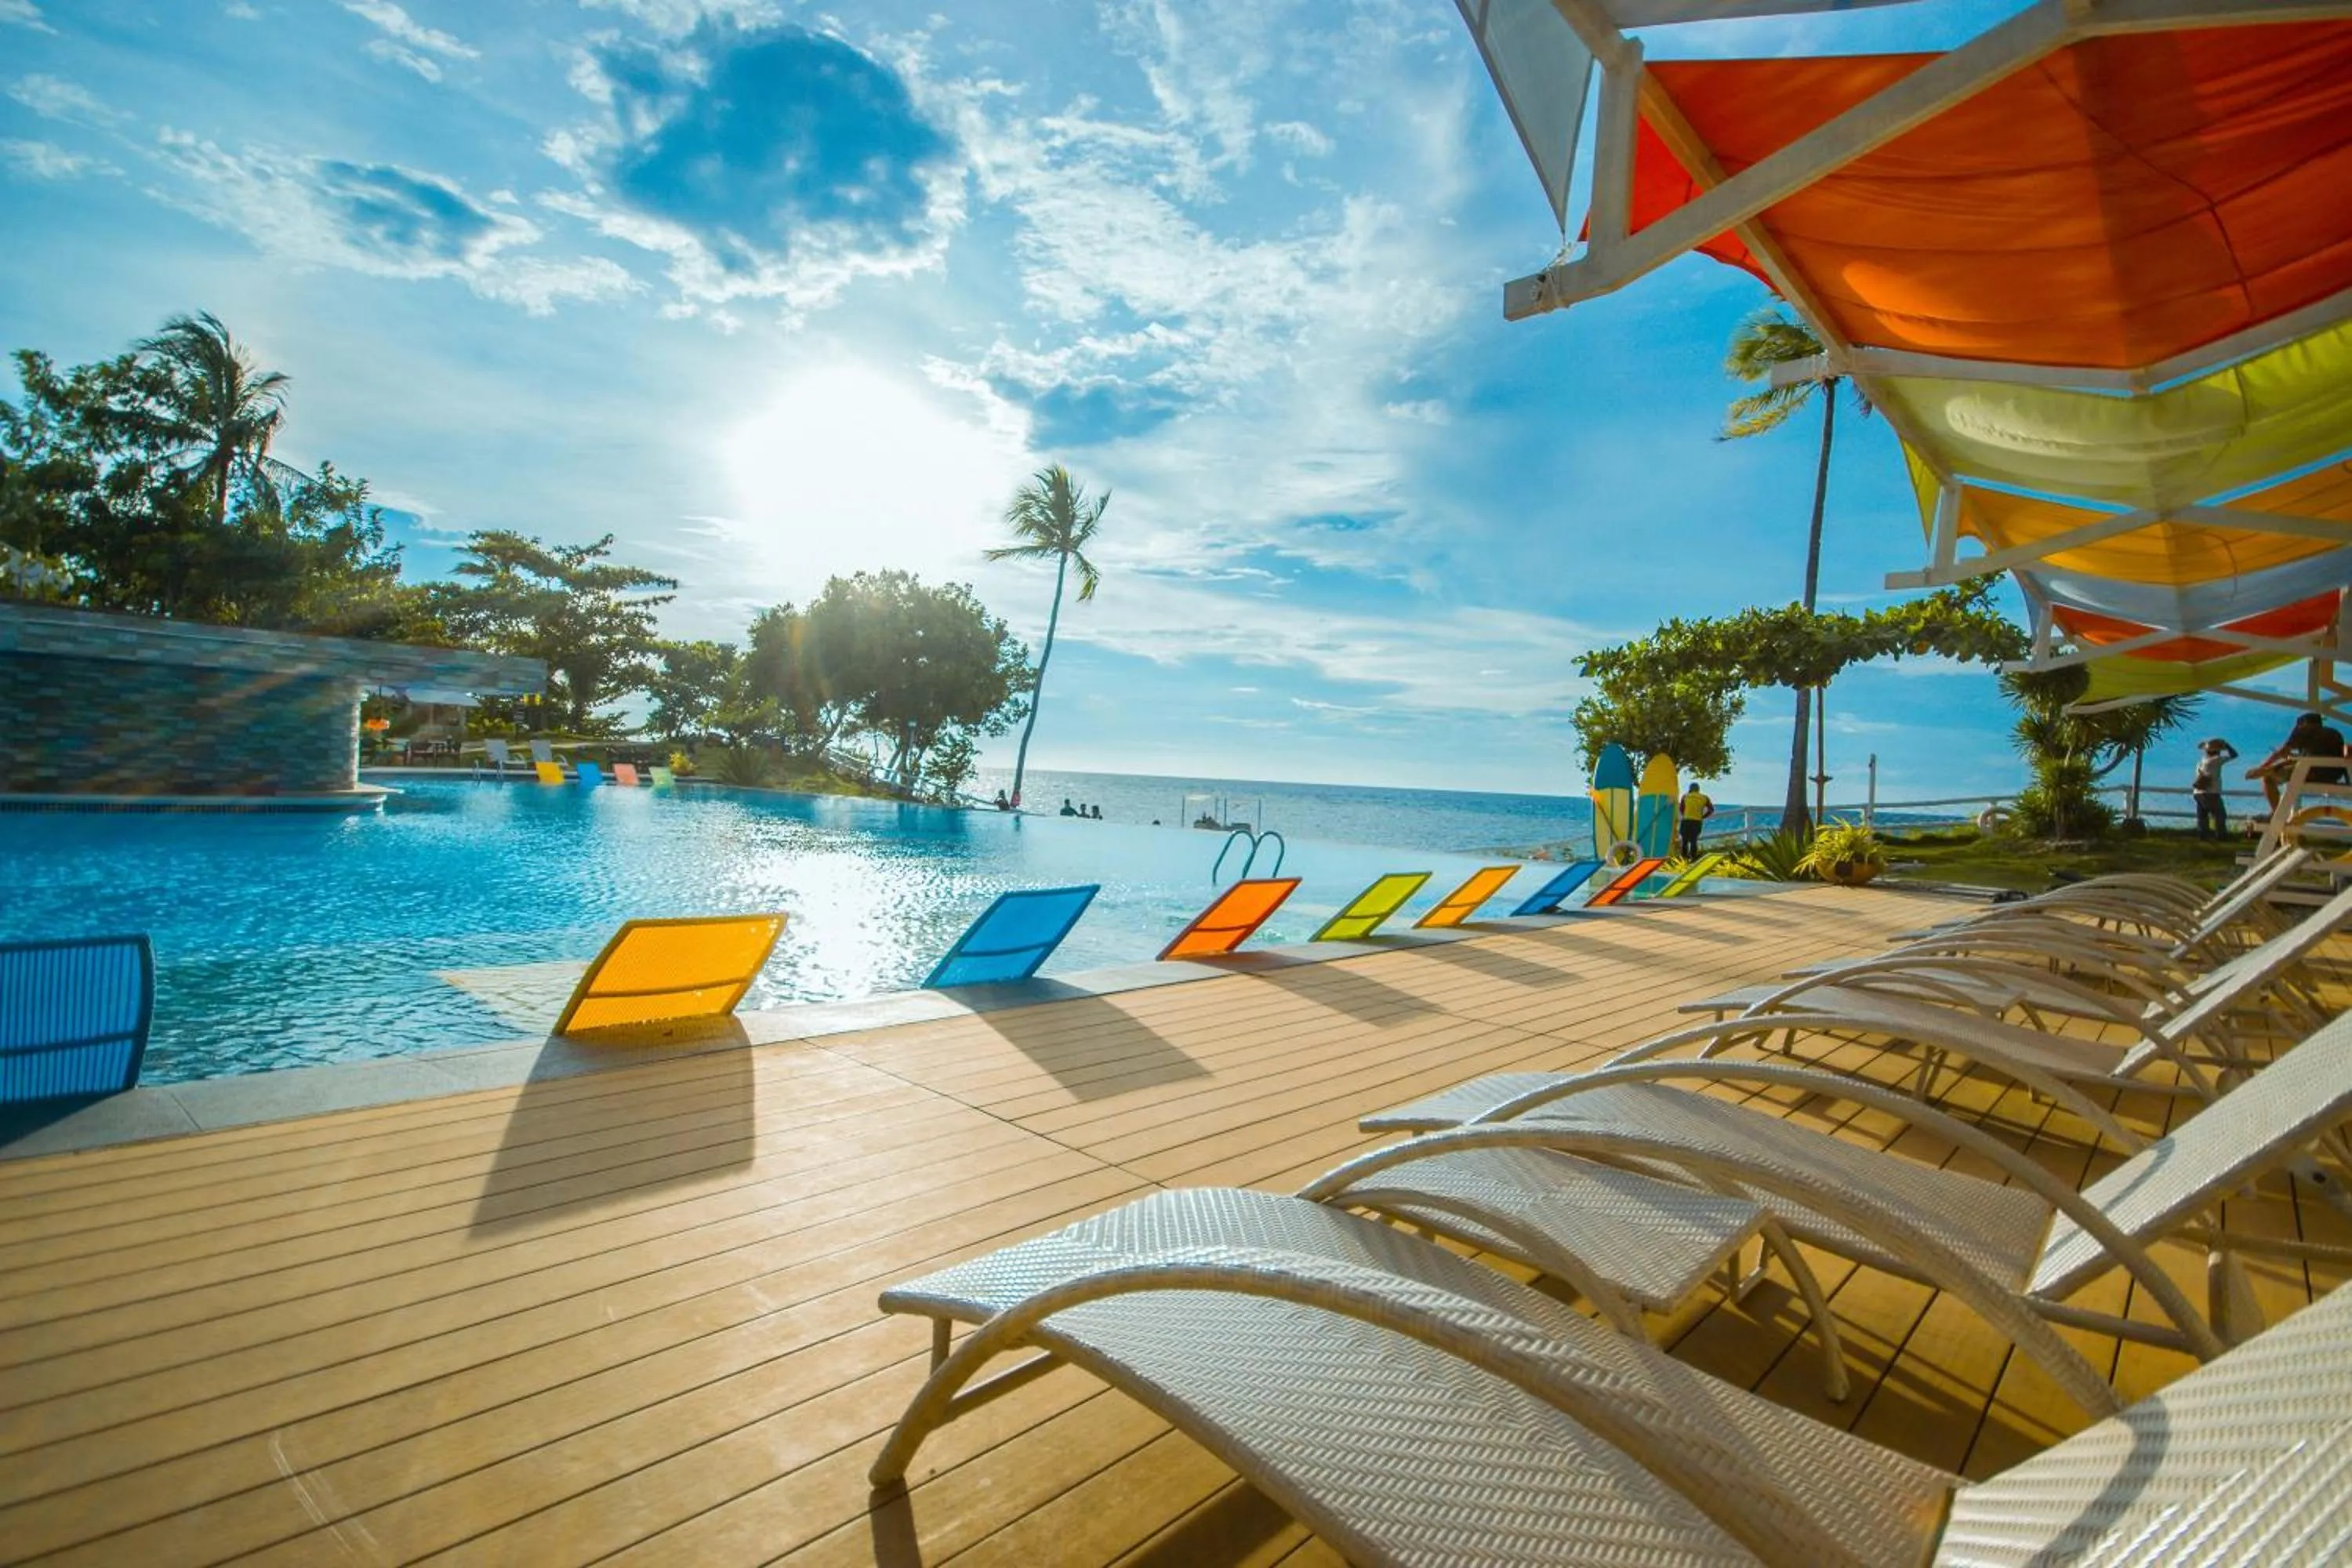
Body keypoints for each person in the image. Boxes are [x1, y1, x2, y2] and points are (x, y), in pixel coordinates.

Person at [2246, 713, 2348, 811]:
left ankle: (2275, 812)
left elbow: (2283, 752)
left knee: (2268, 779)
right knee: (2295, 763)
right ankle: (2270, 770)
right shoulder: (2335, 733)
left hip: (2310, 773)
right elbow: (2321, 754)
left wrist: (2264, 765)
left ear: (2303, 723)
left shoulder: (2303, 731)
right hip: (2333, 776)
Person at [2190, 738, 2237, 840]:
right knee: (2220, 815)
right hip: (2211, 792)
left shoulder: (2201, 762)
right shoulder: (2216, 760)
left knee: (2202, 816)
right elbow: (2234, 755)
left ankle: (2203, 835)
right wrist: (2227, 746)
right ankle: (2221, 836)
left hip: (2198, 792)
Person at [1676, 781, 1713, 858]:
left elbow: (1681, 809)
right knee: (1694, 841)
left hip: (1686, 820)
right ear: (1698, 789)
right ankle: (1693, 858)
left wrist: (1686, 815)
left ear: (1690, 789)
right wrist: (1703, 816)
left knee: (1684, 841)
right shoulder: (1704, 797)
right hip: (1697, 821)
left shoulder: (1685, 796)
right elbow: (1711, 810)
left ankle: (1684, 858)